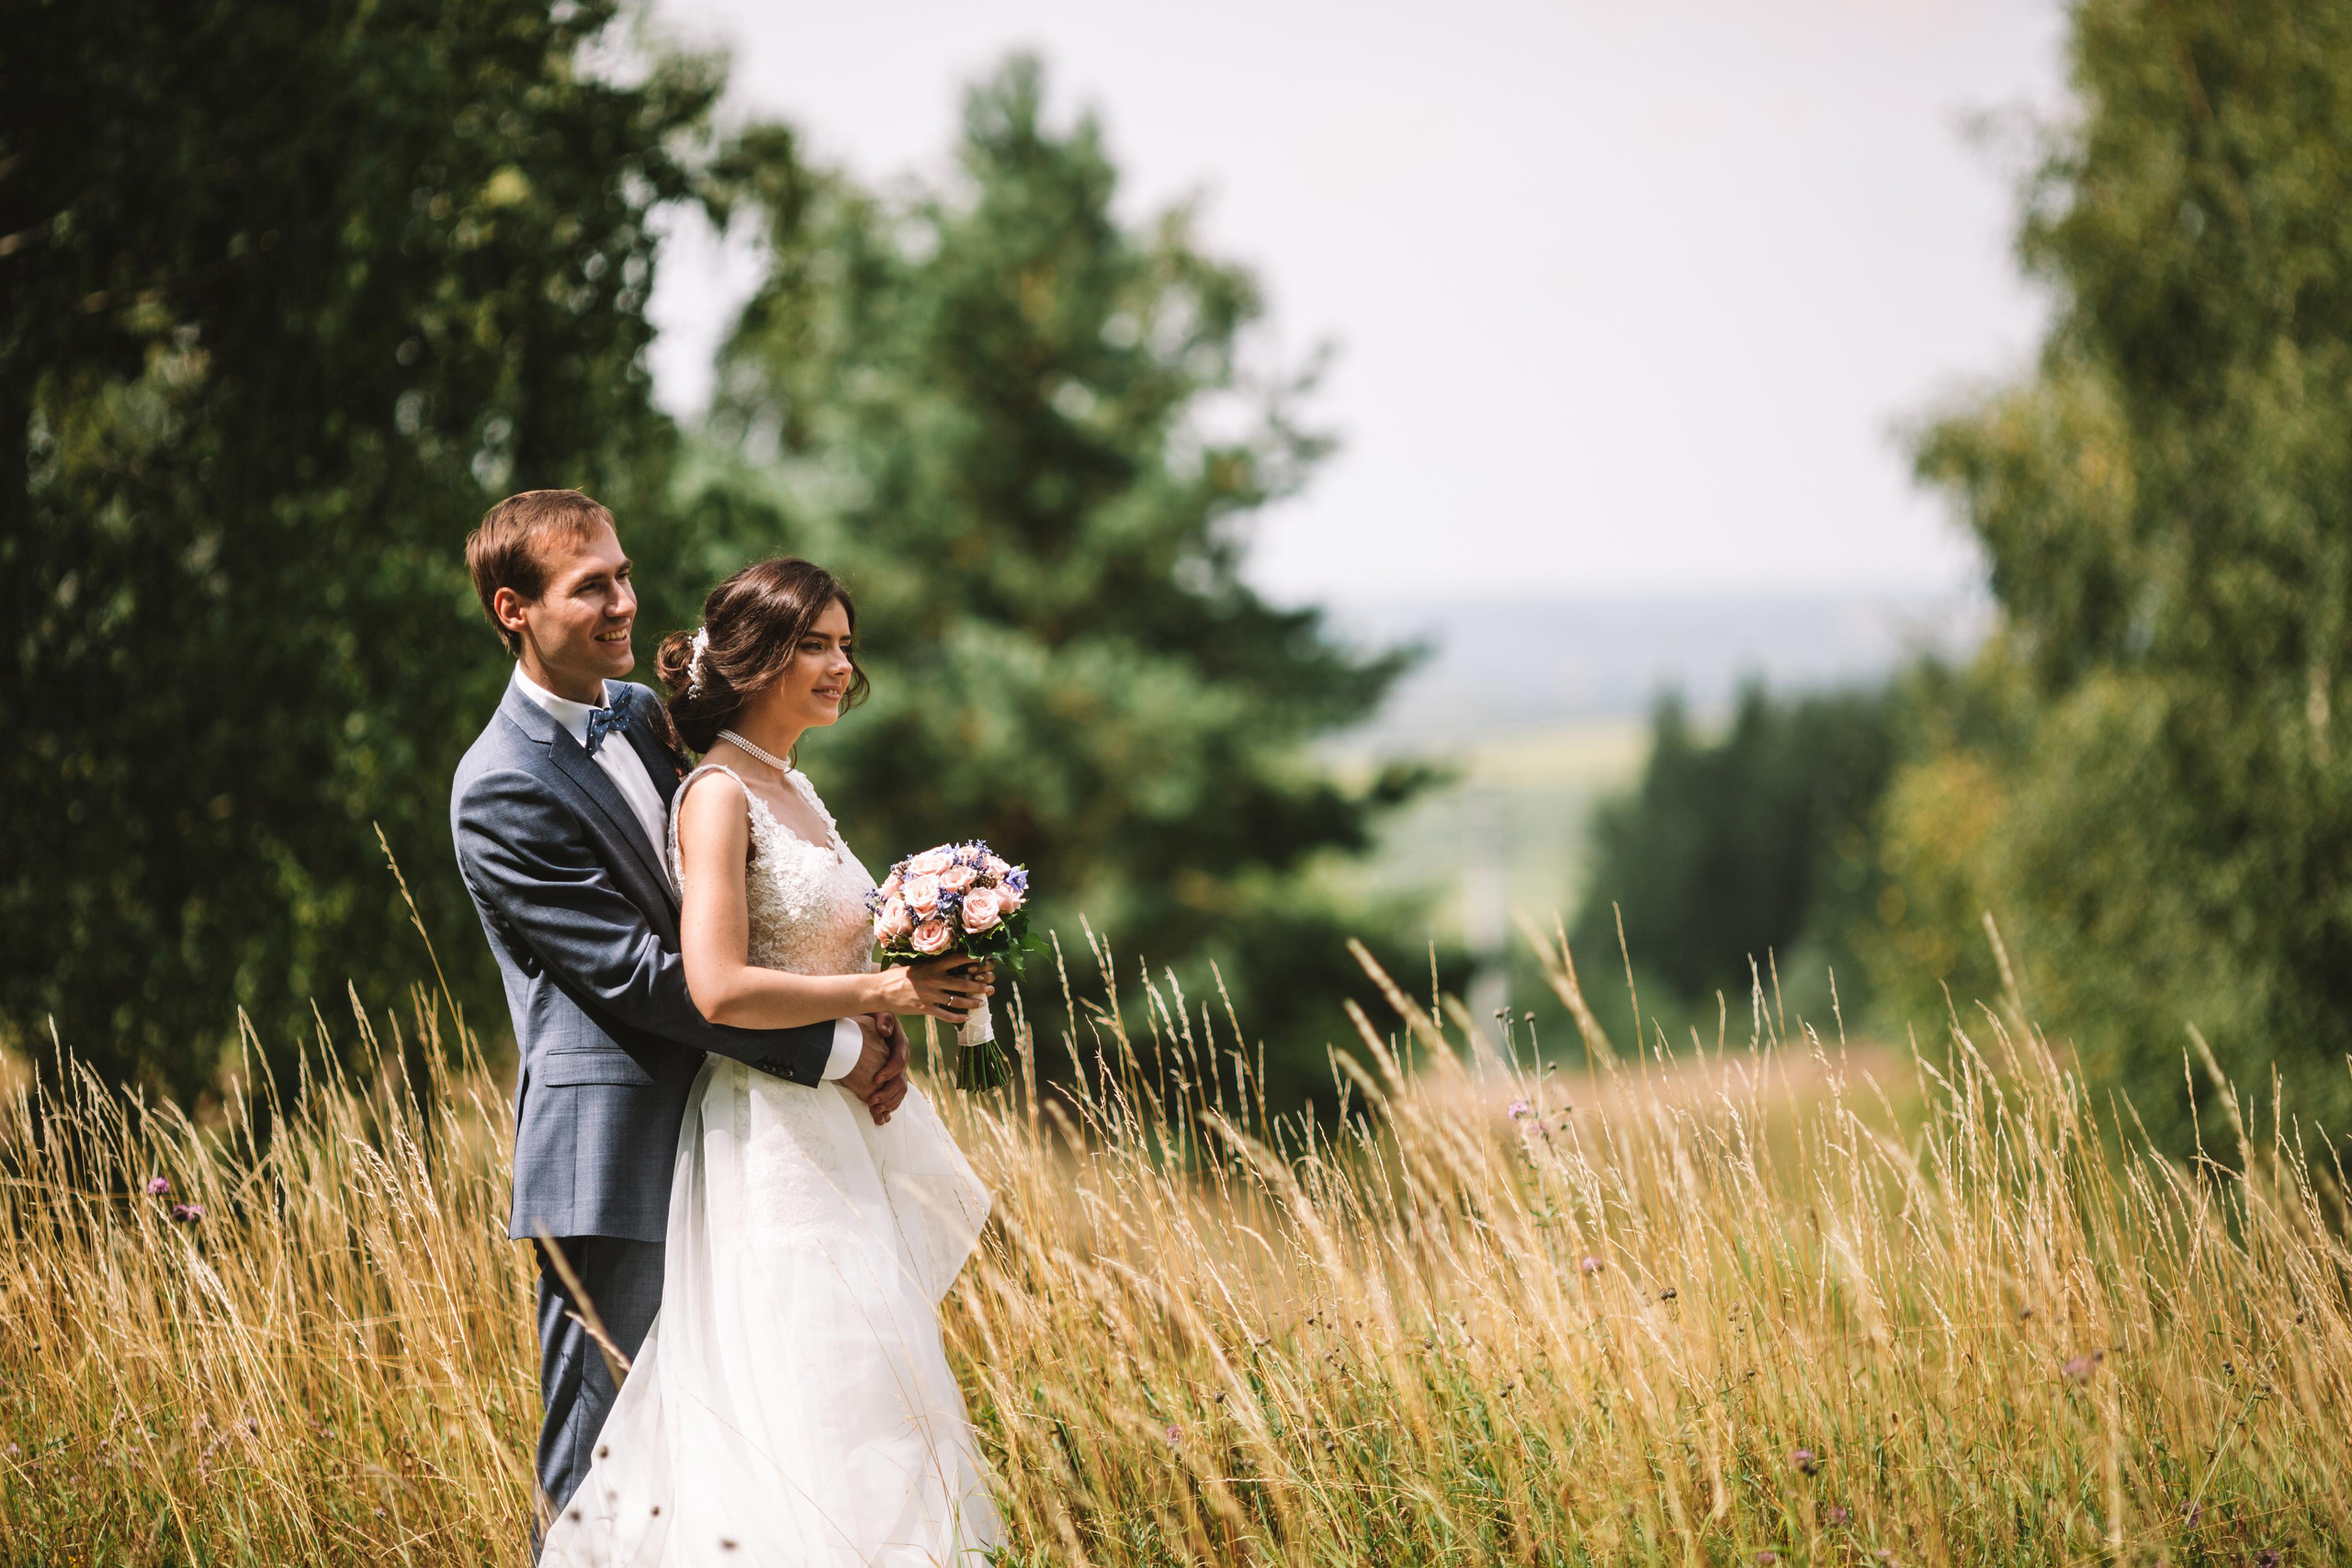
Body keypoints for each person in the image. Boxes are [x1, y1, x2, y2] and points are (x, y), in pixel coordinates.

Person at [447, 491, 988, 1547]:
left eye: (624, 572)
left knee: (757, 1443)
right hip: (616, 1148)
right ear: (513, 608)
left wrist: (873, 1022)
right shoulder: (499, 785)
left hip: (738, 1132)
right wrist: (838, 1044)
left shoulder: (651, 723)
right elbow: (646, 977)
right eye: (590, 584)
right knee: (605, 1466)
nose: (623, 603)